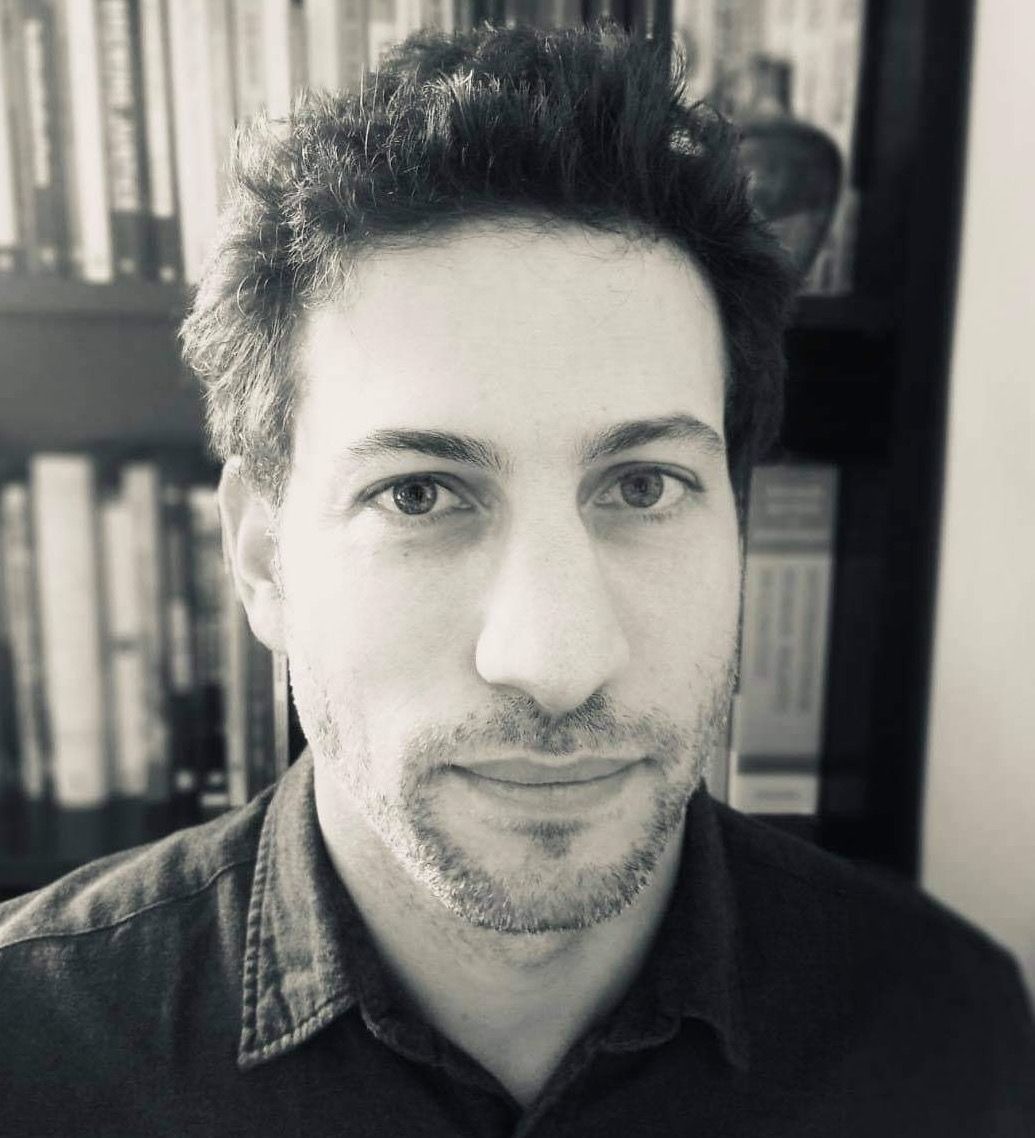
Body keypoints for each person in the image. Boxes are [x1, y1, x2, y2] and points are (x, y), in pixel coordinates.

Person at [1, 22, 1033, 1137]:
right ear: (262, 556)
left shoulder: (945, 1028)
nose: (555, 660)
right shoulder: (30, 1053)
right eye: (419, 493)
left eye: (642, 486)